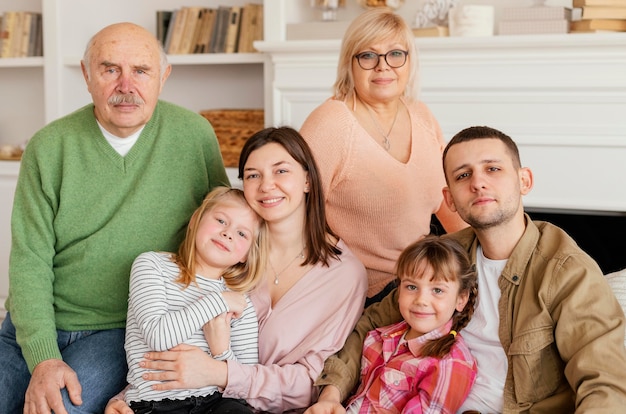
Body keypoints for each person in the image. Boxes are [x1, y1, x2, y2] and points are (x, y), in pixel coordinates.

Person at [308, 126, 626, 413]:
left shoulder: (566, 270)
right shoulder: (447, 255)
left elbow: (604, 381)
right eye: (462, 175)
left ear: (524, 180)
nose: (478, 183)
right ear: (450, 199)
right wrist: (331, 395)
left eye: (493, 169)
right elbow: (370, 323)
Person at [0, 22, 229, 414]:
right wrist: (43, 357)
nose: (127, 85)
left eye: (141, 70)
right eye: (110, 70)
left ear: (163, 76)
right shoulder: (49, 146)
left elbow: (226, 231)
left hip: (123, 329)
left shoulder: (194, 136)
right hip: (36, 322)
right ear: (87, 75)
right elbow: (29, 261)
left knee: (58, 410)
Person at [105, 126, 368, 413]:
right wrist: (125, 397)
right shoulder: (230, 257)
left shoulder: (344, 275)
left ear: (307, 179)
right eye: (253, 175)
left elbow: (311, 383)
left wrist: (220, 373)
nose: (266, 185)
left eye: (281, 171)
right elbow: (164, 333)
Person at [299, 8, 467, 306]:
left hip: (420, 279)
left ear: (409, 61)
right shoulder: (330, 123)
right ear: (349, 63)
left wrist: (485, 255)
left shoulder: (421, 114)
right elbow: (294, 213)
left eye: (395, 54)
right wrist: (341, 263)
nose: (383, 66)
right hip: (363, 290)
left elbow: (444, 201)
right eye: (368, 56)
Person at [125, 187, 267, 413]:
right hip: (156, 406)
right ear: (195, 220)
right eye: (221, 220)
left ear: (246, 255)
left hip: (217, 403)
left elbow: (243, 383)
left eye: (242, 234)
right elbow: (158, 337)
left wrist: (221, 352)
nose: (228, 233)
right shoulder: (152, 265)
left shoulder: (241, 304)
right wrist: (218, 301)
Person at [345, 235, 478, 413]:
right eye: (412, 287)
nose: (421, 300)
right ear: (399, 291)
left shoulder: (449, 363)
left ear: (461, 299)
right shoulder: (378, 337)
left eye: (437, 290)